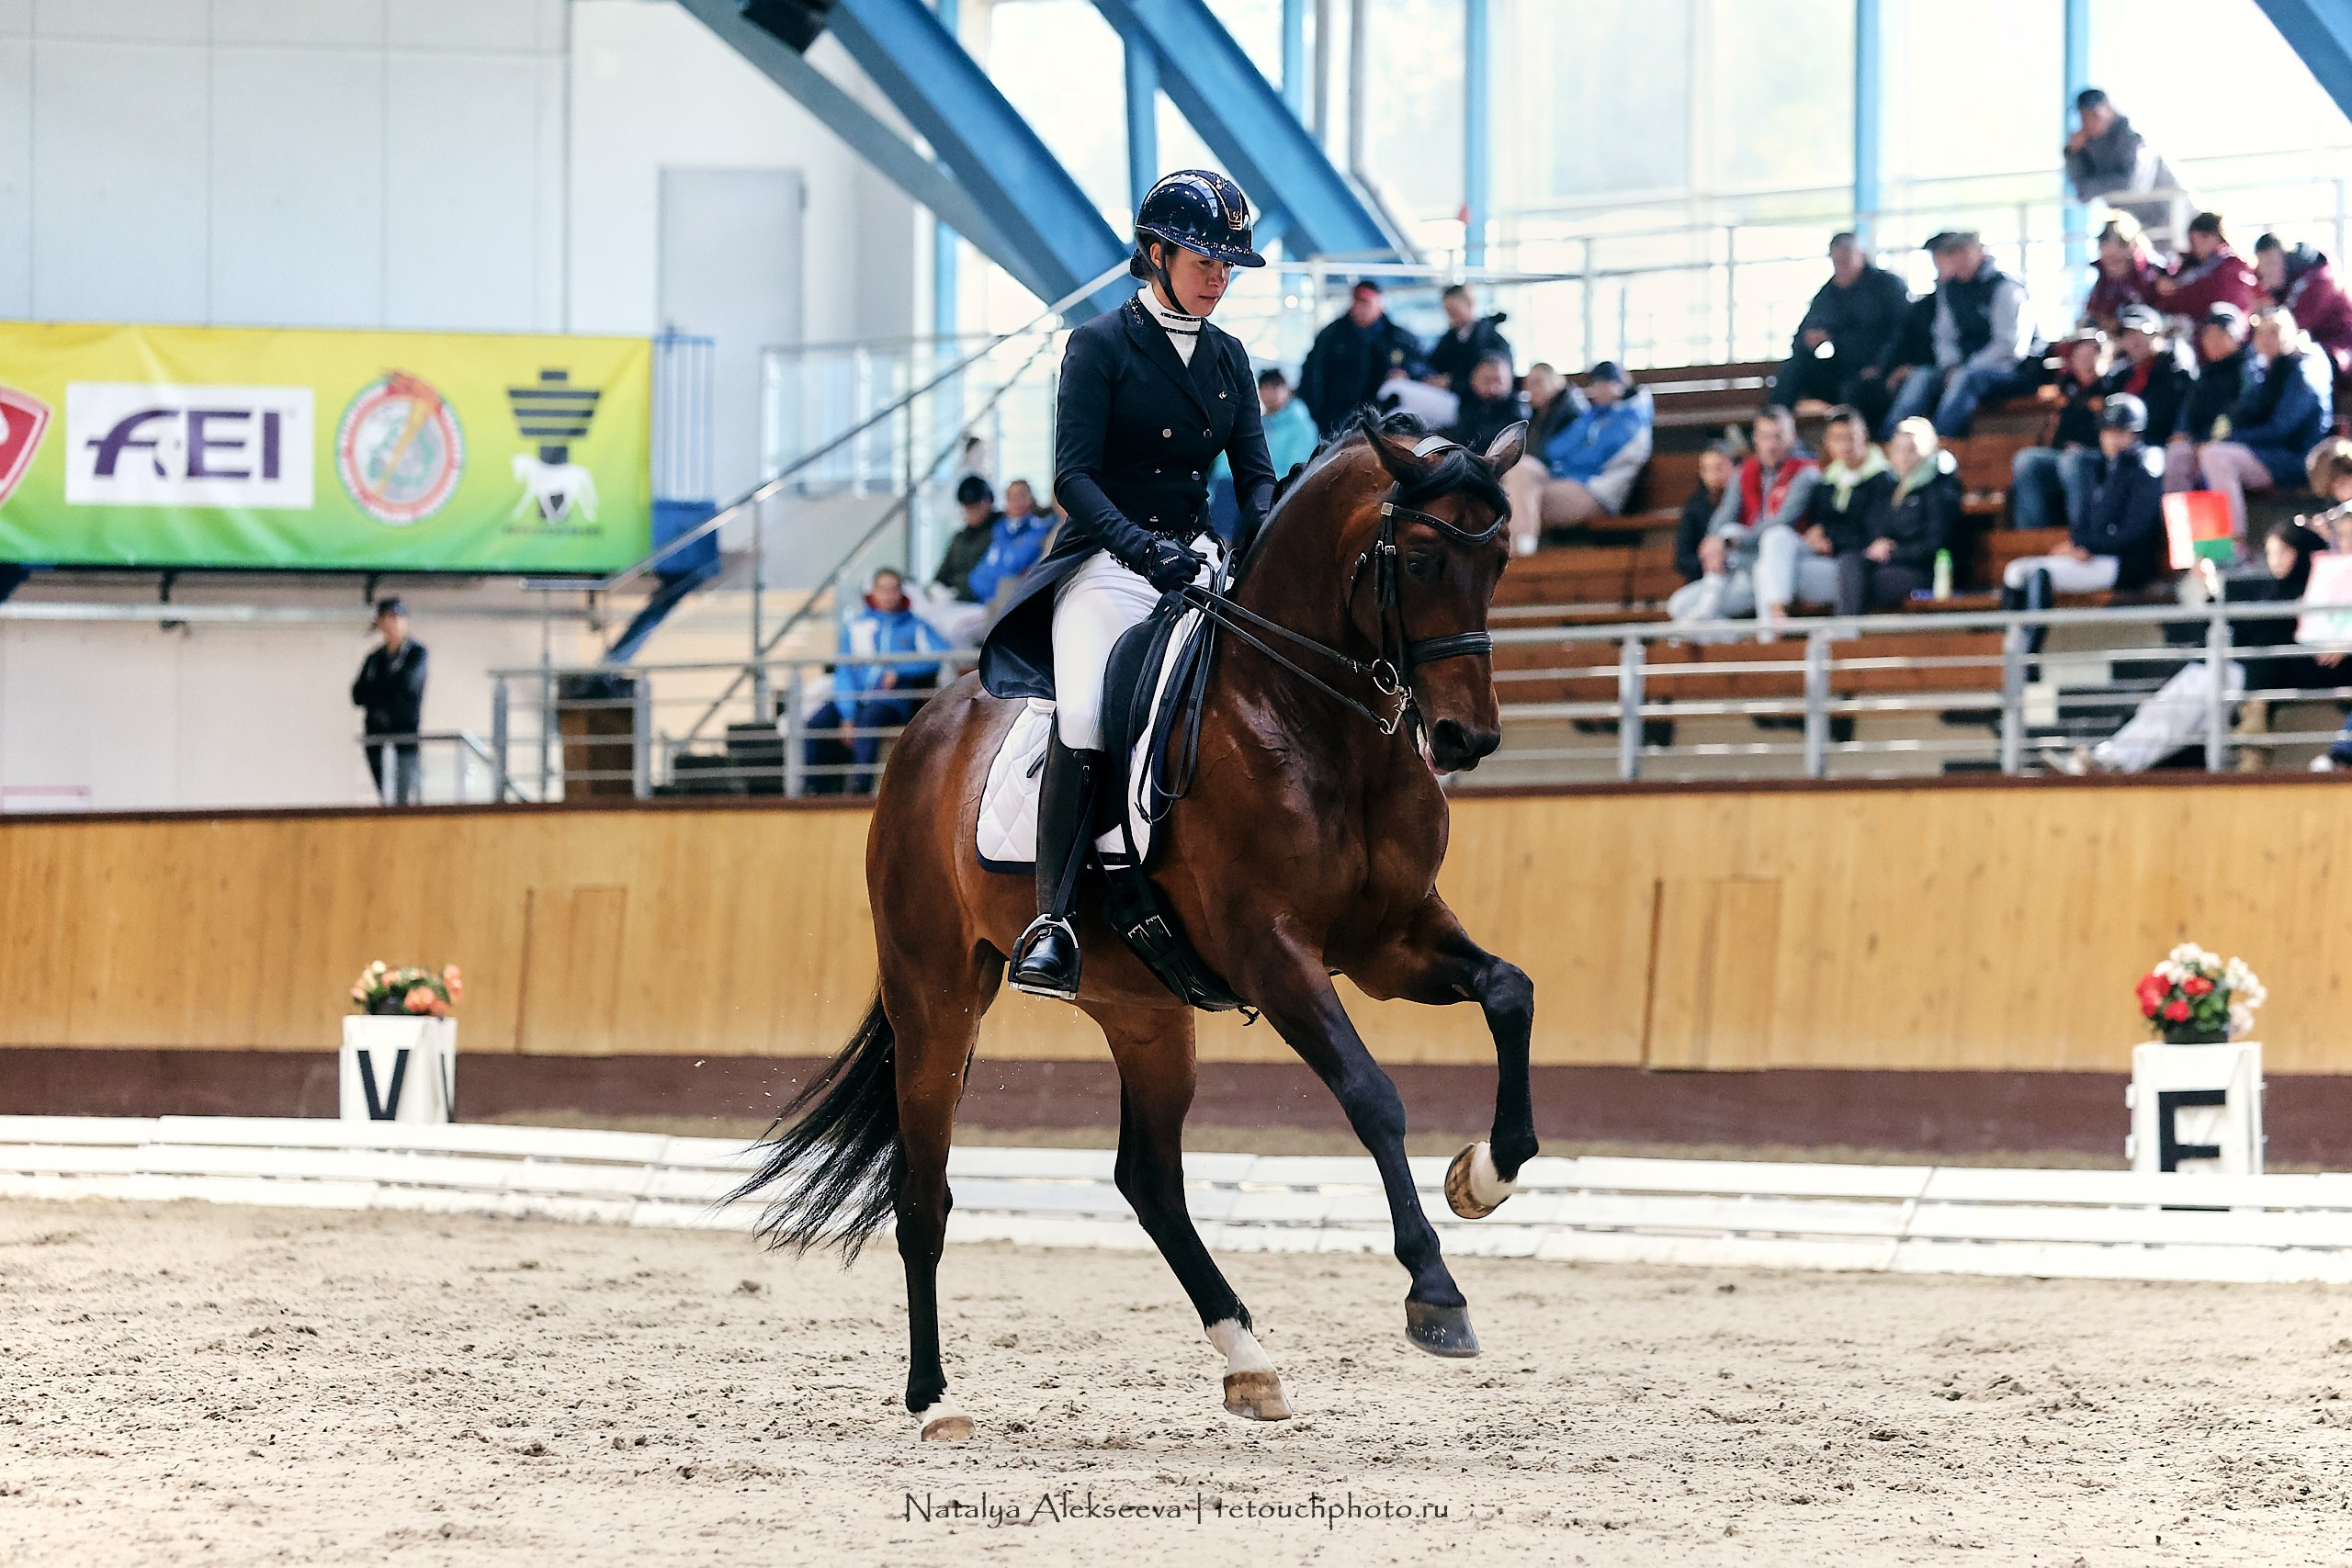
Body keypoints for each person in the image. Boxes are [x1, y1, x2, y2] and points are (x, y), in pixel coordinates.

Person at [976, 169, 1280, 1000]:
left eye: (1228, 266)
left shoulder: (1229, 357)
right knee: (1083, 710)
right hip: (1108, 563)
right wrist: (1143, 549)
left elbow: (1254, 475)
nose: (1219, 278)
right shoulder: (1101, 345)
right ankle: (1055, 920)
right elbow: (1072, 476)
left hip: (1199, 563)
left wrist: (1263, 526)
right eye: (1204, 261)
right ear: (1155, 254)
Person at [2059, 522, 2330, 775]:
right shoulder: (2267, 590)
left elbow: (2272, 635)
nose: (2276, 561)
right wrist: (2210, 587)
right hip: (2234, 669)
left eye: (2285, 552)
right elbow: (2237, 623)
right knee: (2171, 705)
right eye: (2271, 553)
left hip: (2267, 674)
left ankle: (2115, 761)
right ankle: (2110, 757)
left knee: (2191, 700)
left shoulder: (2319, 591)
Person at [2001, 393, 2167, 608]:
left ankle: (2031, 641)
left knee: (2036, 574)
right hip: (2093, 555)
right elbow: (2084, 520)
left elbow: (2133, 533)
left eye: (2121, 433)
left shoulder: (2145, 468)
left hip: (2124, 563)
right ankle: (2014, 639)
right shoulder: (2097, 467)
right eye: (2109, 432)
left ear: (2136, 435)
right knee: (2015, 572)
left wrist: (2086, 546)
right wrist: (2077, 545)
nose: (2113, 440)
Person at [1667, 405, 1820, 631]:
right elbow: (1724, 515)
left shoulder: (1806, 473)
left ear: (1792, 436)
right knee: (1680, 607)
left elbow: (1784, 520)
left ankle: (1772, 636)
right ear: (1756, 439)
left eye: (1778, 436)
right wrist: (1714, 540)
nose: (1771, 444)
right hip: (1750, 562)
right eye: (1765, 436)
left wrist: (1735, 541)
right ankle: (1733, 638)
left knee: (1769, 538)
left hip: (1791, 560)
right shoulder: (1744, 472)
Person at [803, 569, 949, 795]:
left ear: (901, 592)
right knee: (814, 725)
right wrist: (847, 714)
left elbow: (941, 655)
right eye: (883, 589)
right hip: (856, 698)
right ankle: (813, 789)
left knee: (869, 721)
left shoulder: (915, 625)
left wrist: (900, 670)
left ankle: (859, 788)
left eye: (894, 589)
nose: (889, 595)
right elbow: (845, 672)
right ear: (873, 592)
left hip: (890, 701)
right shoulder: (855, 626)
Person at [1879, 231, 2038, 440]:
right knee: (1922, 377)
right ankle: (1890, 440)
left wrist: (1966, 367)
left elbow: (2010, 346)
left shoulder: (2005, 289)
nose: (1959, 261)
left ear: (1980, 252)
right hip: (1963, 369)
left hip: (2011, 370)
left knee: (1965, 379)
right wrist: (1951, 365)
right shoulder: (1949, 291)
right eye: (1953, 255)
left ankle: (1938, 443)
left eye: (1964, 253)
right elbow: (1944, 336)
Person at [2194, 305, 2334, 541]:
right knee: (2196, 455)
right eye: (2260, 333)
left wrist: (2229, 439)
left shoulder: (2307, 368)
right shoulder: (2265, 369)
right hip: (2269, 453)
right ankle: (2204, 548)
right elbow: (2246, 413)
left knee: (2215, 455)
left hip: (2300, 458)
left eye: (2275, 332)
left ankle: (2234, 544)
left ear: (2292, 332)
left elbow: (2282, 429)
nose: (2267, 339)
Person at [1498, 361, 1653, 555]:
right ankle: (1522, 551)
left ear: (1617, 385)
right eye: (1595, 384)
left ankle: (1519, 556)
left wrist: (1564, 464)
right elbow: (1555, 448)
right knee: (1520, 470)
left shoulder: (1632, 418)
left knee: (1519, 493)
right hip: (1571, 481)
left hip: (1598, 491)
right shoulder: (1595, 414)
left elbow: (1596, 458)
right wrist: (1563, 462)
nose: (1596, 391)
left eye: (1603, 384)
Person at [1769, 232, 1912, 413]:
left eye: (1846, 261)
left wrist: (1881, 366)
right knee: (1794, 367)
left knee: (1857, 390)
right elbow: (1802, 338)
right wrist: (1809, 342)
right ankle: (1773, 422)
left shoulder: (1888, 286)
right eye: (1837, 262)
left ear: (1860, 255)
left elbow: (1903, 332)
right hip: (1841, 371)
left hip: (1881, 374)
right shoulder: (1829, 295)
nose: (1841, 267)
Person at [1843, 418, 1958, 614]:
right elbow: (1867, 525)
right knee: (1849, 563)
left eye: (1911, 449)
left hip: (1920, 569)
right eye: (1898, 449)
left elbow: (1936, 543)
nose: (1904, 456)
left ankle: (1849, 634)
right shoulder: (1882, 486)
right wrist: (1875, 546)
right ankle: (1847, 631)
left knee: (1869, 583)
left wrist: (1894, 552)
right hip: (1882, 562)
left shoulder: (1939, 489)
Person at [1296, 277, 1425, 434]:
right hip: (1337, 418)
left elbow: (1423, 368)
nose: (1361, 308)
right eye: (1357, 302)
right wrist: (1317, 413)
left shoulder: (1399, 338)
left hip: (1385, 419)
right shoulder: (1331, 336)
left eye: (1367, 303)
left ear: (1379, 304)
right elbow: (1313, 374)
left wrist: (1407, 375)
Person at [2010, 333, 2110, 534]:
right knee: (2026, 459)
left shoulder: (2111, 386)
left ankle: (2081, 536)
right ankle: (2030, 537)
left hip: (2097, 457)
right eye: (2081, 358)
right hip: (2064, 454)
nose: (2086, 363)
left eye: (2091, 357)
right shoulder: (2067, 386)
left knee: (2071, 460)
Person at [2064, 88, 2189, 243]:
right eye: (2084, 117)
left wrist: (2095, 186)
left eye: (2094, 115)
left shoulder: (2132, 135)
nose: (2088, 123)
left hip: (2173, 216)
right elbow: (2081, 191)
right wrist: (2073, 154)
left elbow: (2130, 181)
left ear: (2109, 108)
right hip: (2138, 229)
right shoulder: (2086, 147)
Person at [1802, 405, 1896, 604]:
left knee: (1849, 564)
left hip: (1860, 561)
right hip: (1827, 558)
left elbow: (1870, 533)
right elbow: (1819, 523)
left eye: (1851, 437)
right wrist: (1816, 534)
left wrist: (1830, 538)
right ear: (1827, 442)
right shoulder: (1826, 481)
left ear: (1864, 436)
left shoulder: (1882, 479)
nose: (1845, 445)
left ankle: (1845, 632)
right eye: (1838, 438)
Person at [2165, 303, 2254, 492]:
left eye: (2222, 334)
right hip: (2200, 442)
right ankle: (2179, 521)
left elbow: (2239, 415)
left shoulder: (2247, 371)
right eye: (2209, 334)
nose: (2214, 341)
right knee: (2176, 453)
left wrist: (2208, 441)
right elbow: (2189, 410)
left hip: (2235, 442)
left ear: (2237, 338)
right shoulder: (2205, 373)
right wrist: (2183, 432)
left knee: (2212, 456)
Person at [2255, 233, 2352, 404]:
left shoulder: (2321, 278)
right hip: (2315, 352)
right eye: (2262, 265)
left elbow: (2292, 329)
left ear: (2288, 258)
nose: (2265, 272)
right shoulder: (2285, 288)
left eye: (2271, 262)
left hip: (2339, 354)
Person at [352, 596, 427, 807]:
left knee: (405, 796)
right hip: (376, 737)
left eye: (395, 618)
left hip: (405, 736)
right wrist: (385, 692)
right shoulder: (374, 659)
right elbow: (358, 694)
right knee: (386, 796)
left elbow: (407, 686)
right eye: (385, 619)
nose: (390, 624)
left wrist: (379, 692)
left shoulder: (416, 654)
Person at [2100, 303, 2192, 446]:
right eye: (2128, 334)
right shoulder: (2120, 377)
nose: (2134, 340)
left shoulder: (2175, 372)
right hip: (2120, 450)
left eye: (2142, 332)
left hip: (2159, 448)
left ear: (2158, 334)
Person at [2151, 212, 2263, 325]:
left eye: (2204, 237)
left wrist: (2174, 293)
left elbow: (2212, 299)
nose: (2198, 244)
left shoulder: (2232, 268)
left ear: (2218, 236)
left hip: (2220, 328)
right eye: (2193, 240)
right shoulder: (2187, 265)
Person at [963, 479, 1054, 615]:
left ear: (1031, 499)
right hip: (982, 602)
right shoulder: (999, 531)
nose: (1016, 502)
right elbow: (978, 576)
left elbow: (1013, 566)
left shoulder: (1040, 531)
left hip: (1011, 605)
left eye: (1021, 496)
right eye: (1011, 497)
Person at [1422, 284, 1511, 392]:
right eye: (1448, 313)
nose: (1451, 318)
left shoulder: (1494, 341)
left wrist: (1452, 383)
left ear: (1470, 303)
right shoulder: (1450, 339)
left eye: (1454, 312)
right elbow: (1433, 363)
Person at [1672, 445, 1736, 587]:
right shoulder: (1694, 506)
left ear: (1734, 466)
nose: (1714, 476)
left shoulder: (1748, 498)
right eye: (1707, 469)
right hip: (1707, 578)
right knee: (1679, 605)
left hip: (1743, 573)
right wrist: (1709, 562)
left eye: (1719, 467)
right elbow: (1682, 559)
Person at [1448, 353, 1531, 457]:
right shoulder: (1465, 403)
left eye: (1498, 381)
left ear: (1510, 381)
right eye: (1486, 380)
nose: (1493, 388)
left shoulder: (1520, 412)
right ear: (1473, 380)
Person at [933, 475, 1001, 603]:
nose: (972, 511)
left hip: (988, 601)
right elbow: (941, 577)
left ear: (989, 502)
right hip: (956, 602)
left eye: (977, 505)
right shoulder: (959, 539)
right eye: (967, 506)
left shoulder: (1003, 531)